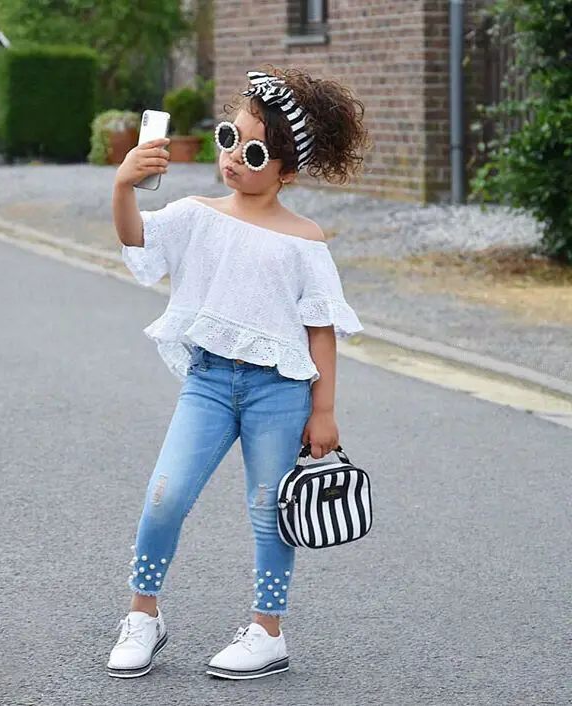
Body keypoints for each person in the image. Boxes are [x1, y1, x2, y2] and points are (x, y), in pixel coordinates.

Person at [107, 67, 369, 681]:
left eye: (253, 152)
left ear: (287, 172)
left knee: (269, 511)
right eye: (229, 138)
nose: (232, 157)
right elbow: (135, 236)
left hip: (280, 391)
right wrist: (123, 185)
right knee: (165, 495)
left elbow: (320, 329)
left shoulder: (305, 239)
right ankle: (143, 615)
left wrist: (324, 411)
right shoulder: (195, 214)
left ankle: (267, 630)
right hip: (208, 382)